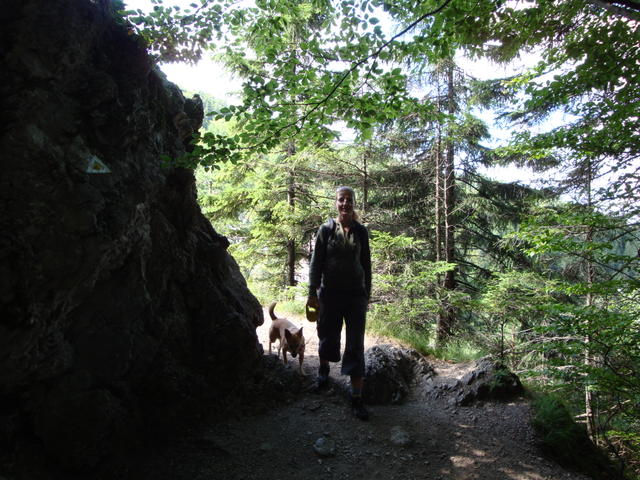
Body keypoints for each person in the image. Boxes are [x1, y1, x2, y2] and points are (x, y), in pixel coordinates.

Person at [306, 186, 372, 420]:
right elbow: (316, 263)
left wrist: (367, 294)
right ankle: (324, 373)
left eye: (349, 200)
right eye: (341, 200)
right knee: (327, 334)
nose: (345, 203)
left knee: (355, 343)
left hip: (355, 296)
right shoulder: (326, 230)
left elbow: (366, 264)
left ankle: (356, 397)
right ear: (336, 203)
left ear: (354, 203)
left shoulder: (361, 231)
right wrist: (312, 293)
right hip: (329, 294)